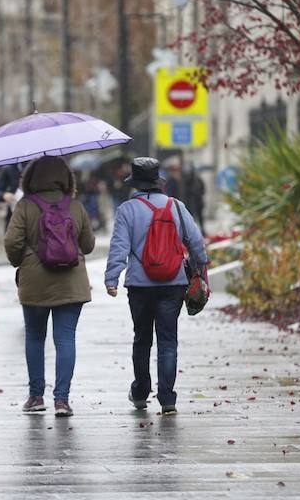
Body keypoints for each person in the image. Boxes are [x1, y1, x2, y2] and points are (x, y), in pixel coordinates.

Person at [105, 156, 208, 416]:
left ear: (135, 183)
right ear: (158, 180)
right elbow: (196, 243)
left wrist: (112, 278)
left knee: (142, 340)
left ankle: (140, 393)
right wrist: (202, 273)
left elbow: (119, 247)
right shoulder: (177, 206)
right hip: (173, 283)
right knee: (168, 341)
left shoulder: (127, 210)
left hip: (139, 285)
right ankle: (167, 399)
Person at [4, 156, 96, 417]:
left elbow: (11, 241)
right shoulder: (75, 206)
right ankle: (62, 400)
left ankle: (36, 397)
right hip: (72, 282)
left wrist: (20, 262)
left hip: (35, 282)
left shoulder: (25, 206)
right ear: (67, 178)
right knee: (65, 339)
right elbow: (88, 245)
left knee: (35, 336)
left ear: (30, 178)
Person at [0, 163, 24, 231]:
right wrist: (4, 195)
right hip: (13, 218)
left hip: (34, 218)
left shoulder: (37, 166)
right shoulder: (10, 169)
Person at [182, 166, 206, 233]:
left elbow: (203, 191)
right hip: (192, 203)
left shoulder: (199, 180)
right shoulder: (188, 181)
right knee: (192, 219)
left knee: (200, 218)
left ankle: (202, 231)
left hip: (198, 202)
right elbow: (186, 192)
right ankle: (194, 231)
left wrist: (197, 193)